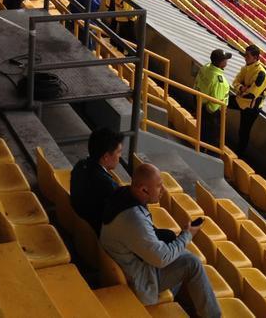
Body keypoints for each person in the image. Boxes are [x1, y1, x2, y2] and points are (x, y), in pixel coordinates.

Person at [100, 163, 221, 317]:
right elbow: (161, 259)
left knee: (177, 249)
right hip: (139, 279)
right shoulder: (134, 219)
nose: (163, 190)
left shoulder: (123, 194)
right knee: (192, 263)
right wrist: (188, 234)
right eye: (158, 186)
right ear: (143, 189)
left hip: (128, 263)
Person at [70, 127, 123, 233]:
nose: (120, 156)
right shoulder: (108, 185)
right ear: (106, 157)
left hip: (80, 227)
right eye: (119, 152)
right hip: (96, 233)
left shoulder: (80, 165)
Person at [230, 44, 266, 154]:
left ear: (256, 58)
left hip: (251, 108)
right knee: (219, 102)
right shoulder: (246, 68)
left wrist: (240, 89)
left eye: (247, 55)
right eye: (245, 54)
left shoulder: (261, 74)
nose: (245, 57)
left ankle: (240, 156)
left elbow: (251, 95)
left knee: (243, 132)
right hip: (241, 101)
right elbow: (235, 82)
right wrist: (242, 88)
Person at [195, 49, 231, 151]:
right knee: (212, 140)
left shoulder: (205, 67)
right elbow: (214, 106)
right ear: (221, 63)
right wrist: (210, 113)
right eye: (225, 60)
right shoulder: (220, 81)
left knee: (201, 133)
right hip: (211, 114)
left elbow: (196, 82)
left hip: (199, 103)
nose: (227, 61)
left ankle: (199, 150)